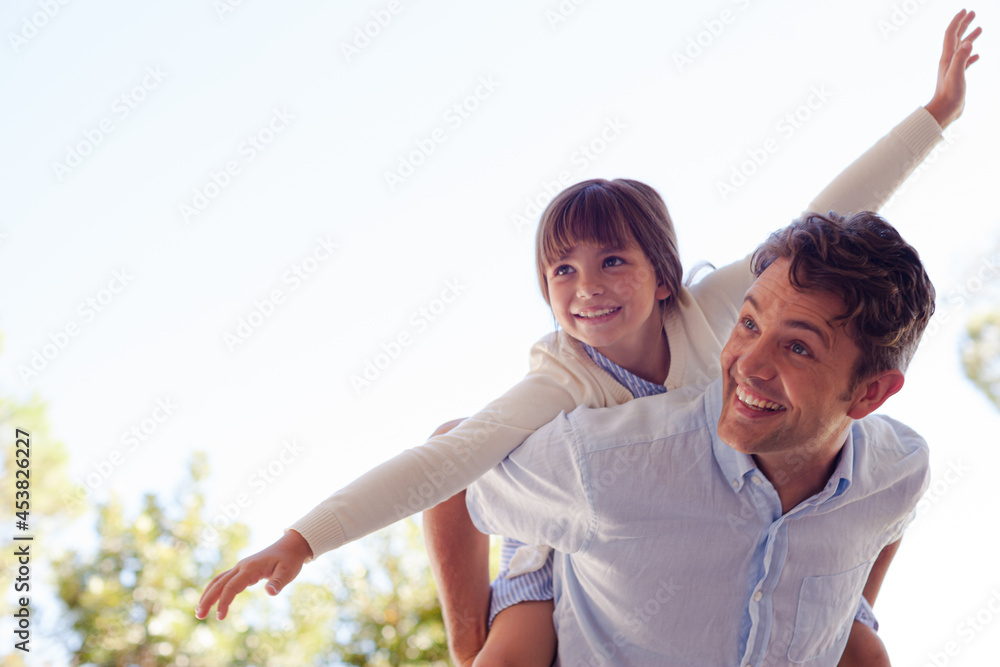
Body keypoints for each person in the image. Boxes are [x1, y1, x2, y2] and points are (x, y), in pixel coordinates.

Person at [195, 9, 978, 665]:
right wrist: (303, 539)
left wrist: (935, 114)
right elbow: (445, 464)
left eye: (611, 261)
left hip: (720, 536)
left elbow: (827, 217)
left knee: (865, 651)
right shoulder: (563, 382)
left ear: (663, 275)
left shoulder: (713, 311)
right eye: (561, 271)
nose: (586, 286)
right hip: (561, 543)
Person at [466, 209, 936, 665]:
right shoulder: (599, 458)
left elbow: (886, 517)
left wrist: (847, 614)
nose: (748, 365)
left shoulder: (900, 468)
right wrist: (467, 646)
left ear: (871, 393)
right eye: (748, 324)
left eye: (797, 348)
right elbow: (458, 486)